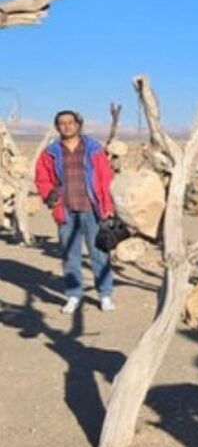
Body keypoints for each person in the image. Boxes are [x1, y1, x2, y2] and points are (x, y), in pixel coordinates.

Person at [34, 110, 117, 314]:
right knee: (70, 255)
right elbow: (42, 178)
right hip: (66, 210)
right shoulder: (51, 152)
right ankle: (73, 295)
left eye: (71, 122)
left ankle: (105, 294)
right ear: (57, 127)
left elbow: (105, 179)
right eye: (62, 123)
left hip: (92, 209)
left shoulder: (94, 149)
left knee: (99, 253)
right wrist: (50, 196)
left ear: (78, 124)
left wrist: (107, 208)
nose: (67, 126)